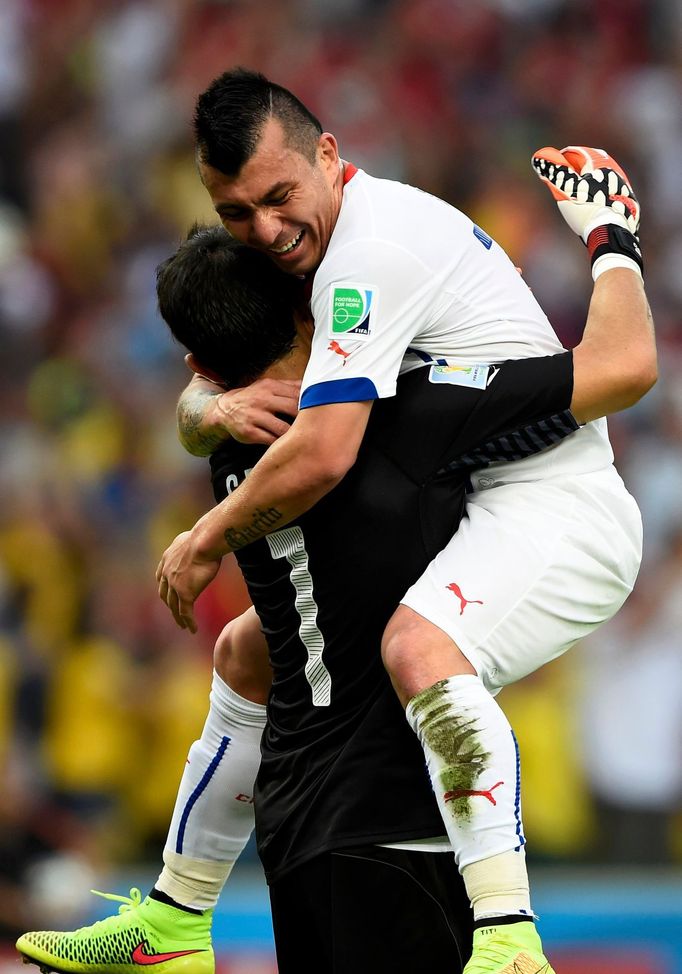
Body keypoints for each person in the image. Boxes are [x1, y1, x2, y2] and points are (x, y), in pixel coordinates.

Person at [17, 194, 651, 974]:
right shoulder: (403, 416)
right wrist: (611, 240)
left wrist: (204, 418)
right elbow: (622, 366)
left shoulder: (229, 454)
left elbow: (211, 417)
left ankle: (176, 913)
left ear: (202, 368)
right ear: (311, 307)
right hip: (401, 822)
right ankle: (511, 936)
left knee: (242, 646)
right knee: (400, 647)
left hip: (291, 820)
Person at [156, 69, 655, 974]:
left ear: (331, 157)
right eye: (237, 213)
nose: (265, 232)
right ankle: (175, 918)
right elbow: (217, 361)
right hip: (462, 487)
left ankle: (508, 936)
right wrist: (208, 408)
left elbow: (325, 452)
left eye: (278, 198)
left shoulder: (370, 255)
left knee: (419, 650)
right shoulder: (303, 256)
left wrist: (610, 238)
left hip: (555, 503)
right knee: (254, 648)